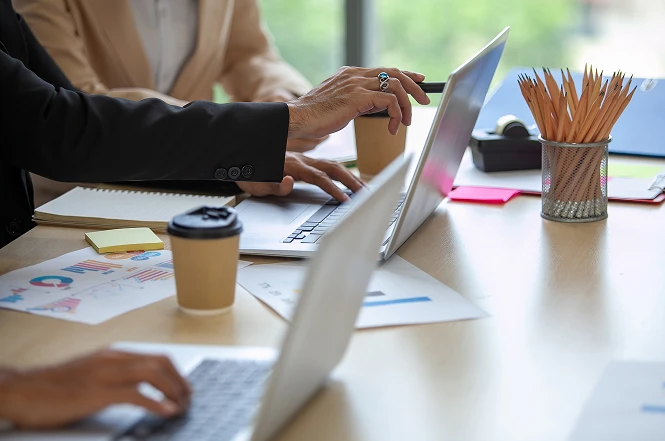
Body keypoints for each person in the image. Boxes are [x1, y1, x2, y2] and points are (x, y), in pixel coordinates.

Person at [0, 0, 428, 425]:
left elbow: (65, 112)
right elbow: (62, 124)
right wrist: (280, 121)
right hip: (68, 212)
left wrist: (244, 157)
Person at [0, 0, 430, 249]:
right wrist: (277, 123)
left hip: (186, 185)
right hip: (82, 203)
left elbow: (248, 53)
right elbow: (71, 115)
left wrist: (270, 126)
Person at [13, 0, 324, 204]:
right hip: (82, 197)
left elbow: (248, 52)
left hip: (202, 191)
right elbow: (74, 102)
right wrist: (240, 132)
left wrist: (281, 97)